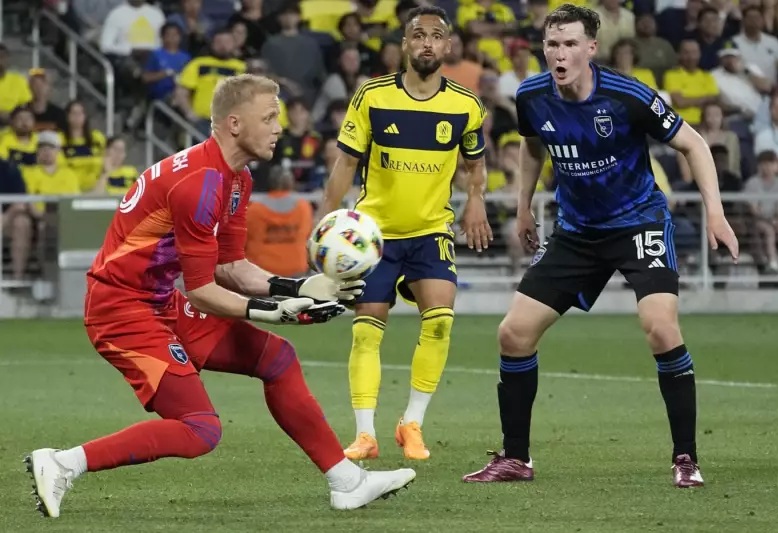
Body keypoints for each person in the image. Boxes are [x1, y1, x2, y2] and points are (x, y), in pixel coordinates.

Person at [26, 74, 416, 519]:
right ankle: (63, 463)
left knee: (277, 360)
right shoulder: (201, 184)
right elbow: (202, 292)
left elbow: (230, 266)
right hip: (120, 310)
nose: (279, 127)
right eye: (268, 118)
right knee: (200, 429)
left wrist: (297, 286)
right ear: (234, 123)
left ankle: (347, 482)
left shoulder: (235, 179)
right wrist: (275, 311)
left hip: (157, 300)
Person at [462, 5, 738, 488]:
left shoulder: (628, 95)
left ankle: (686, 458)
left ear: (591, 48)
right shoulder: (531, 95)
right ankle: (516, 459)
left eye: (570, 44)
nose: (560, 54)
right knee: (514, 334)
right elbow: (532, 145)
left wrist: (715, 212)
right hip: (578, 232)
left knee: (660, 328)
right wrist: (523, 206)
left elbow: (693, 144)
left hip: (638, 223)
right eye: (552, 44)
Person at [323, 5, 493, 461]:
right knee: (367, 331)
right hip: (374, 236)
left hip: (431, 229)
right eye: (418, 35)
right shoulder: (372, 96)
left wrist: (476, 200)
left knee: (440, 322)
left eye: (436, 36)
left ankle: (411, 423)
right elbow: (345, 164)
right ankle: (365, 435)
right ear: (404, 44)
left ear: (448, 46)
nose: (427, 43)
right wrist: (325, 224)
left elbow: (475, 164)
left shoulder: (466, 104)